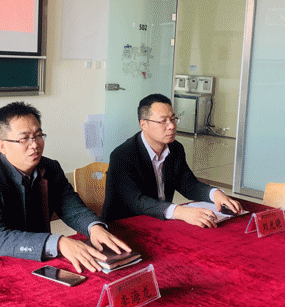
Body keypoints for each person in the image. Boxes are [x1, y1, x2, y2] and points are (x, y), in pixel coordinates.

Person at [0, 102, 131, 272]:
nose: (34, 144)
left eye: (38, 135)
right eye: (24, 138)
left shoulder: (51, 168)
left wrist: (94, 227)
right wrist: (59, 242)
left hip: (34, 259)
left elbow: (72, 208)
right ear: (3, 146)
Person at [102, 93, 242, 227]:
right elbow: (136, 202)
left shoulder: (175, 148)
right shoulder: (122, 155)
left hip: (161, 221)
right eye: (162, 121)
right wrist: (179, 211)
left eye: (173, 119)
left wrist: (214, 193)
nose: (171, 126)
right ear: (143, 124)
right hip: (126, 225)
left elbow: (188, 184)